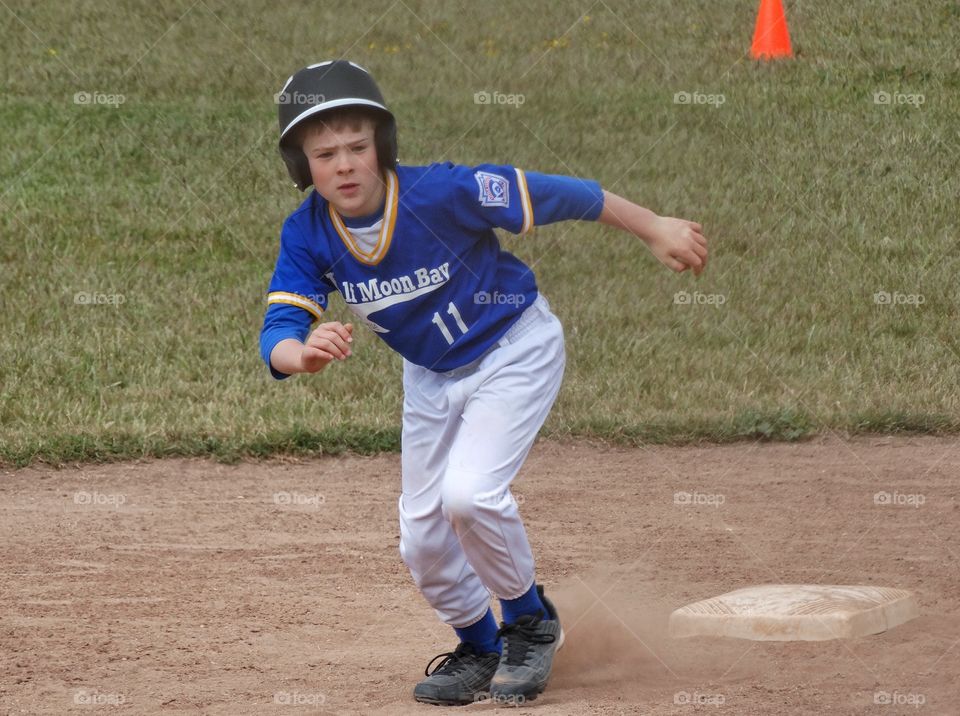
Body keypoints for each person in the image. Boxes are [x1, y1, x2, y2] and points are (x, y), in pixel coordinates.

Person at [259, 60, 708, 706]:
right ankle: (482, 645)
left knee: (468, 496)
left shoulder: (438, 194)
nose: (346, 164)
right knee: (421, 539)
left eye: (358, 146)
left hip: (514, 349)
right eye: (325, 153)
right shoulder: (307, 232)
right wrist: (301, 354)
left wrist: (654, 226)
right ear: (303, 165)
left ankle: (529, 620)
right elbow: (278, 329)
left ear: (381, 146)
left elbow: (556, 193)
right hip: (432, 378)